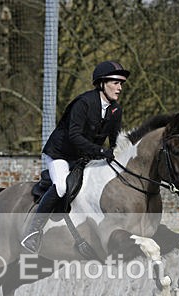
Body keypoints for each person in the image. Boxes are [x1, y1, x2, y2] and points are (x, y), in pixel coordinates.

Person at [20, 60, 130, 253]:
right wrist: (100, 151)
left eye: (121, 83)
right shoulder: (84, 103)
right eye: (115, 82)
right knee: (62, 186)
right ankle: (33, 232)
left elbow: (114, 141)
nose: (120, 87)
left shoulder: (115, 110)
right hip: (60, 154)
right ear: (102, 83)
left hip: (84, 157)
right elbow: (74, 136)